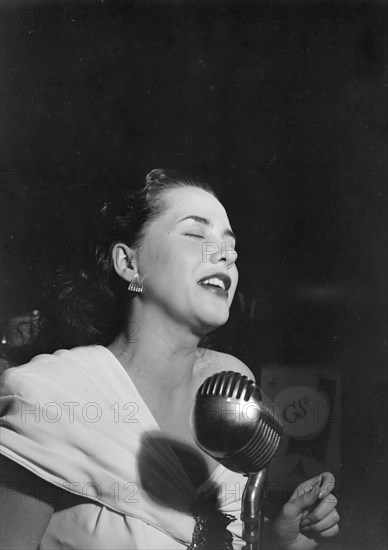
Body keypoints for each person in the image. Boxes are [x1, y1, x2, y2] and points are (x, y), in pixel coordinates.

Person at [0, 169, 339, 549]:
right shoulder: (51, 395)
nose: (224, 255)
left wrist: (280, 539)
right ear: (129, 264)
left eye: (231, 247)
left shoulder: (233, 380)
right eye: (195, 234)